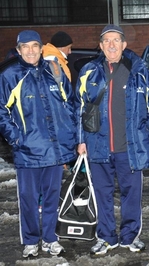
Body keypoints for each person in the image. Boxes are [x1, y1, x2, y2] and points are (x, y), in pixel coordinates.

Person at [75, 24, 149, 255]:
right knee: (102, 195)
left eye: (116, 40)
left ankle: (130, 236)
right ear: (101, 46)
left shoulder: (139, 70)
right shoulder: (88, 71)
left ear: (124, 44)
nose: (111, 45)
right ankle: (105, 237)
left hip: (129, 149)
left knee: (131, 195)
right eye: (107, 41)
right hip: (98, 147)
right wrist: (81, 140)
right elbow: (79, 108)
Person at [0, 30, 76, 257]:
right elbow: (1, 111)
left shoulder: (54, 71)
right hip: (28, 151)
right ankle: (31, 241)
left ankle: (51, 238)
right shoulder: (10, 75)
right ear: (19, 49)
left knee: (53, 198)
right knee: (29, 200)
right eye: (26, 46)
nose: (31, 51)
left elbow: (70, 104)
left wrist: (69, 136)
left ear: (41, 48)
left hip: (54, 151)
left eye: (35, 46)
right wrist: (15, 138)